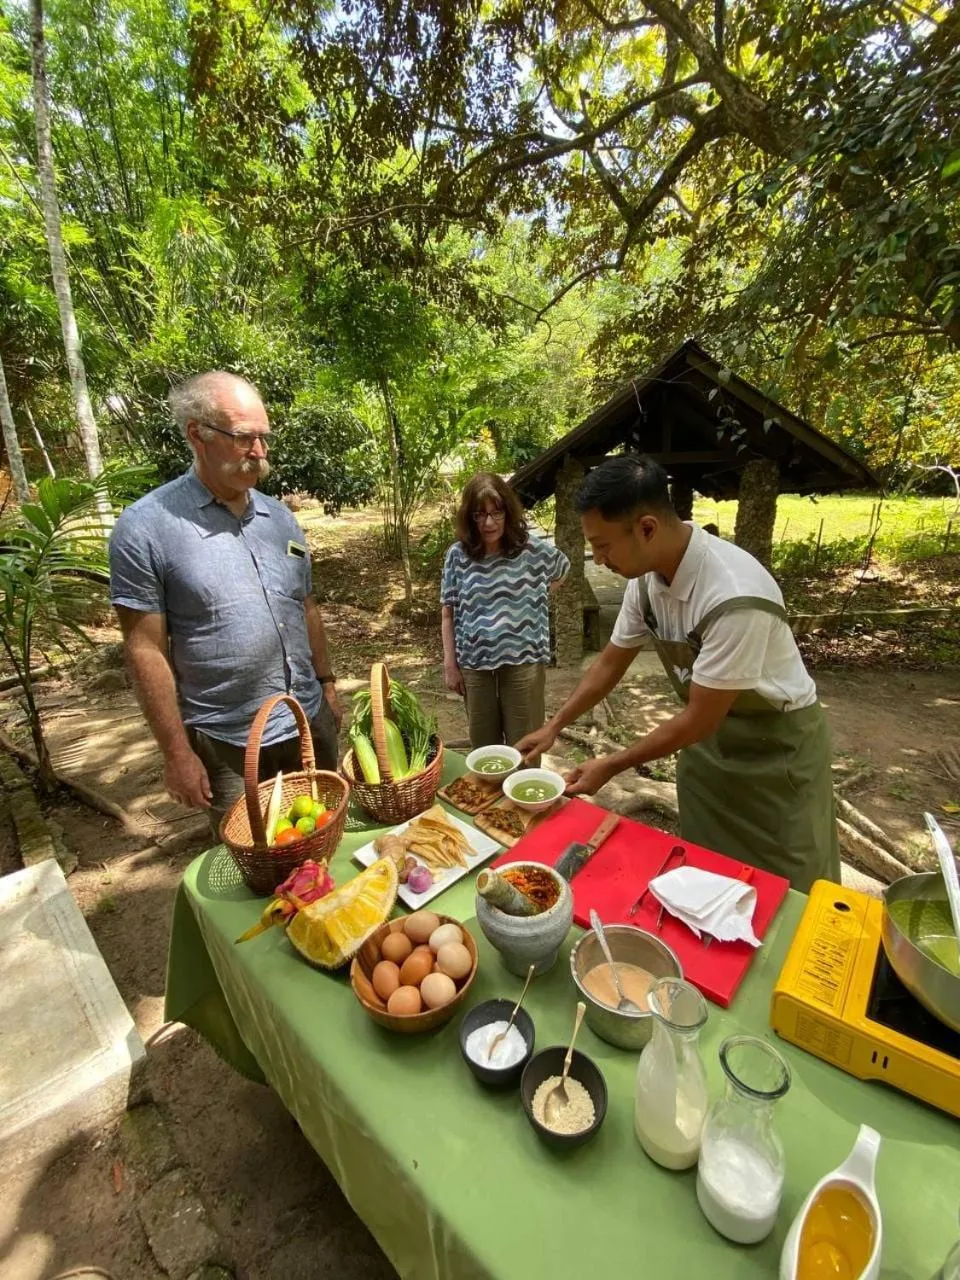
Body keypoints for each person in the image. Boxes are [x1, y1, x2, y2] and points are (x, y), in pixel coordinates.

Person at [516, 455, 839, 891]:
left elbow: (700, 717)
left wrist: (612, 764)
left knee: (788, 883)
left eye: (604, 545)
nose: (599, 559)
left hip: (778, 754)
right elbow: (611, 661)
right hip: (708, 748)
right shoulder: (646, 581)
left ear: (647, 528)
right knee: (709, 870)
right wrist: (554, 725)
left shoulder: (734, 596)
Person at [108, 371, 342, 837]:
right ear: (198, 434)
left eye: (264, 437)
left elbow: (305, 606)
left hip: (308, 722)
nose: (259, 451)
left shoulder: (280, 518)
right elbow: (145, 648)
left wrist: (327, 685)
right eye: (243, 438)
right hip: (229, 743)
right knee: (251, 860)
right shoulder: (146, 528)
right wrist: (177, 753)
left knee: (326, 841)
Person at [441, 472, 569, 753]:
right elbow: (448, 612)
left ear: (508, 512)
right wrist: (451, 664)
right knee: (485, 749)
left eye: (496, 513)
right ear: (469, 517)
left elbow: (562, 569)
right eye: (479, 514)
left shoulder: (530, 549)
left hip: (524, 661)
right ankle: (489, 785)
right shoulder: (458, 555)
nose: (489, 523)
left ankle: (525, 784)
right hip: (474, 664)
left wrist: (534, 597)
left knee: (524, 747)